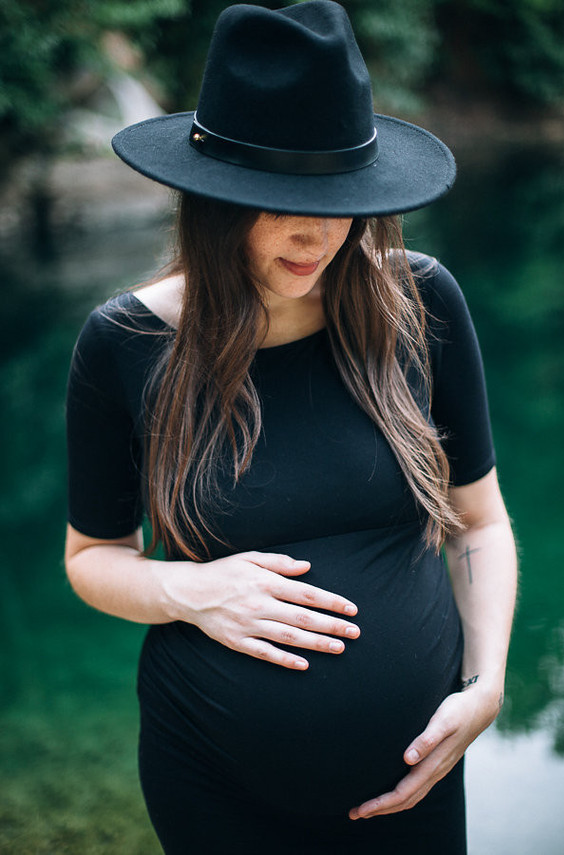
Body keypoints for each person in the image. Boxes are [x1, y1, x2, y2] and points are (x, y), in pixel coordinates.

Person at [64, 2, 517, 853]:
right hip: (214, 786)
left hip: (415, 787)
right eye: (280, 203)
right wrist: (192, 590)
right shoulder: (124, 341)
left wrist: (486, 681)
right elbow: (92, 559)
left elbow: (479, 524)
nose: (318, 234)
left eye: (340, 200)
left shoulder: (422, 302)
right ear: (213, 201)